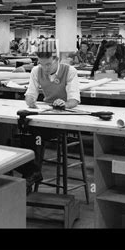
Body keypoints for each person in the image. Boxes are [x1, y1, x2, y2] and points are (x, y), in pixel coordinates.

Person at [22, 45, 80, 192]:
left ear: (57, 60)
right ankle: (31, 171)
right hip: (46, 113)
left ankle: (31, 172)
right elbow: (31, 92)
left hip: (64, 118)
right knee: (22, 127)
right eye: (41, 64)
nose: (45, 68)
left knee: (31, 132)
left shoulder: (69, 71)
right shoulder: (37, 70)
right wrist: (30, 100)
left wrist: (65, 104)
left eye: (48, 64)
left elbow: (75, 100)